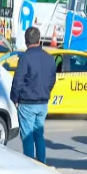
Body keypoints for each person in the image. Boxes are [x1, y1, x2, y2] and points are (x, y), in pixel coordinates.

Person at [10, 25, 57, 164]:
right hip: (42, 103)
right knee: (39, 135)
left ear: (26, 41)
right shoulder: (49, 58)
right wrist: (46, 91)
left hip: (27, 103)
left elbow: (18, 80)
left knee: (27, 137)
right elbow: (52, 79)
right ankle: (42, 163)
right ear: (39, 40)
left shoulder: (25, 58)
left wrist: (14, 98)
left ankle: (30, 166)